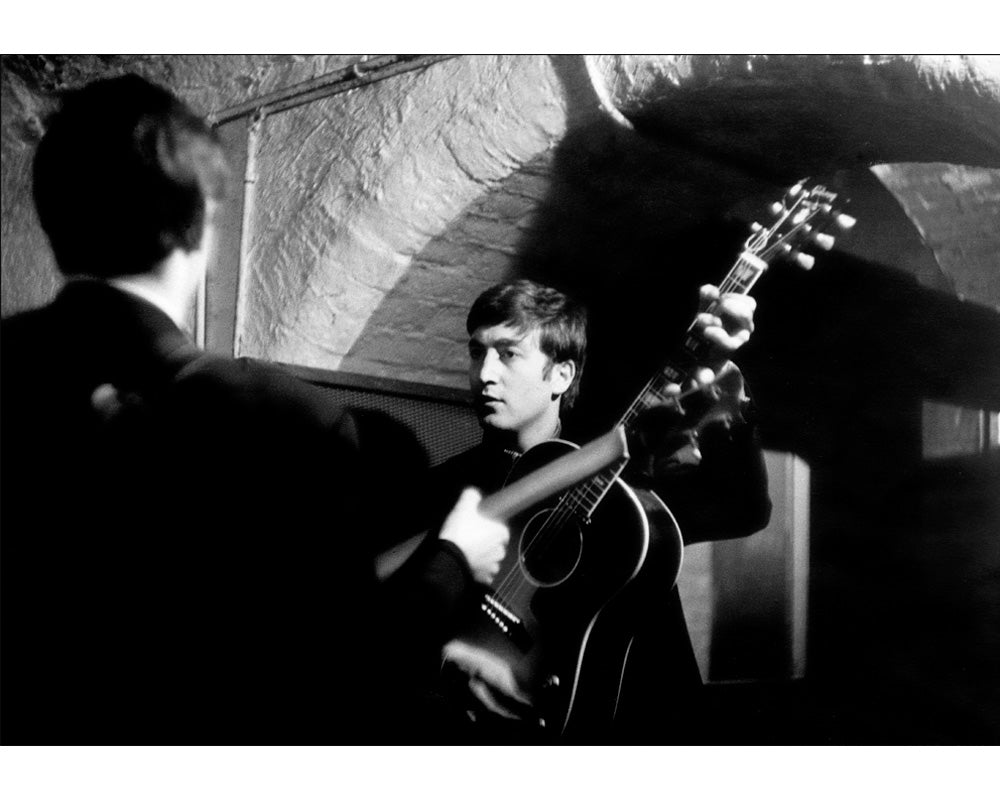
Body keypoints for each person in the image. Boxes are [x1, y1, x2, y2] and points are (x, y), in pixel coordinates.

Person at [0, 74, 508, 742]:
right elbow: (340, 680)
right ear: (201, 227)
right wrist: (453, 564)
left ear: (52, 214)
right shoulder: (286, 421)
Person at [408, 278, 771, 742]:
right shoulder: (446, 488)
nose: (484, 374)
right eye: (478, 352)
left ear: (562, 375)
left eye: (508, 354)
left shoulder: (620, 467)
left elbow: (743, 508)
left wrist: (734, 405)